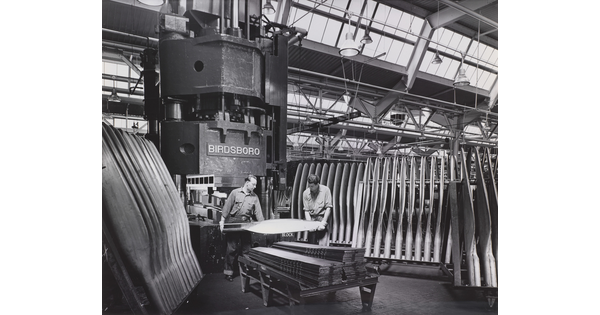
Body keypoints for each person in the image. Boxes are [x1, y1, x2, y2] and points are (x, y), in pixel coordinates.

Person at [219, 175, 264, 281]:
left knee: (247, 250)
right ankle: (228, 273)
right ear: (247, 183)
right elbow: (227, 207)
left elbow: (259, 213)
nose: (255, 186)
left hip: (246, 224)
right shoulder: (235, 193)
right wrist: (222, 221)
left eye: (255, 184)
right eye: (253, 184)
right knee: (232, 249)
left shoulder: (255, 197)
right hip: (234, 223)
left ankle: (248, 272)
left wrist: (263, 226)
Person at [302, 174, 332, 246]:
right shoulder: (306, 193)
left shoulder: (326, 190)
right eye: (309, 186)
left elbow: (328, 207)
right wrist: (309, 224)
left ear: (317, 184)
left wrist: (324, 222)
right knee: (311, 246)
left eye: (312, 186)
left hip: (322, 217)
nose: (310, 188)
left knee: (323, 246)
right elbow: (306, 211)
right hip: (312, 218)